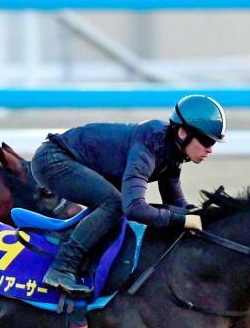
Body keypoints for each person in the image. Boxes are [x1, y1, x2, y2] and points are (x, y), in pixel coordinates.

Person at [31, 94, 225, 295]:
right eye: (205, 140)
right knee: (114, 204)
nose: (210, 149)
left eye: (213, 143)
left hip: (72, 159)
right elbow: (134, 208)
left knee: (115, 205)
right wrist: (182, 220)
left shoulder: (173, 155)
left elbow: (175, 204)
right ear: (183, 132)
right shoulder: (148, 147)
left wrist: (201, 216)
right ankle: (62, 268)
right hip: (54, 158)